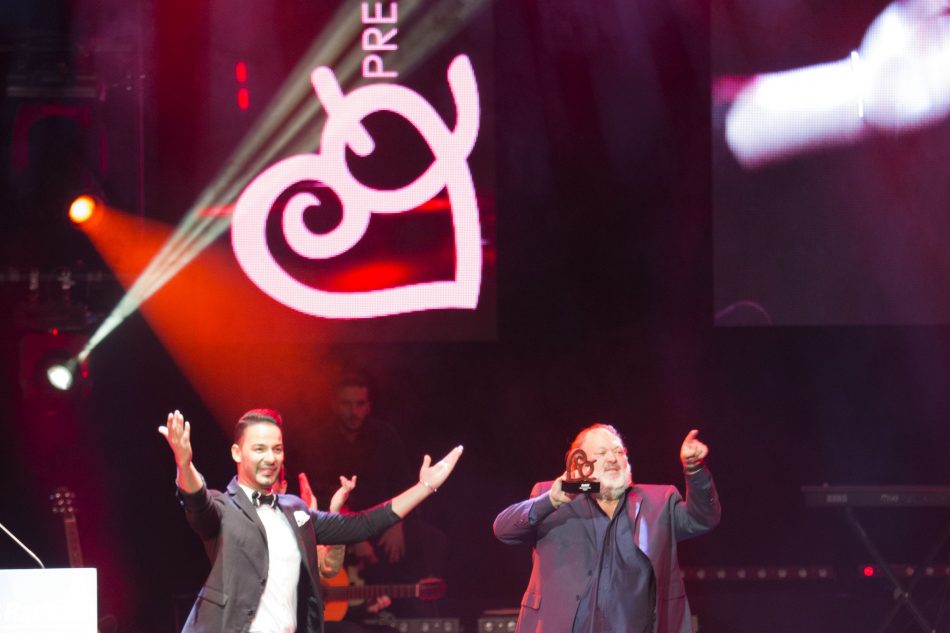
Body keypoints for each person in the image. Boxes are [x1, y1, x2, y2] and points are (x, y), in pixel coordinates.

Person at [158, 408, 462, 633]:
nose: (270, 458)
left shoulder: (295, 510)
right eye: (259, 449)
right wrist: (184, 463)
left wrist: (424, 487)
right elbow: (196, 500)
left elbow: (363, 524)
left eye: (277, 449)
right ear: (237, 453)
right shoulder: (224, 507)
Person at [493, 424, 720, 633]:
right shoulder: (553, 496)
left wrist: (694, 470)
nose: (612, 458)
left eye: (619, 452)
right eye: (601, 453)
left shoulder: (660, 501)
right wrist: (549, 500)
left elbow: (702, 518)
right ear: (579, 462)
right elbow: (503, 530)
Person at [303, 372, 449, 618]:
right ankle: (360, 612)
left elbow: (403, 484)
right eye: (347, 404)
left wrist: (397, 523)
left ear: (368, 406)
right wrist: (355, 536)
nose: (354, 412)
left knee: (433, 539)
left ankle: (422, 615)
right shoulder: (320, 440)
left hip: (383, 521)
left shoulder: (384, 435)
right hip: (340, 524)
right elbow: (322, 493)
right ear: (334, 405)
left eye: (359, 404)